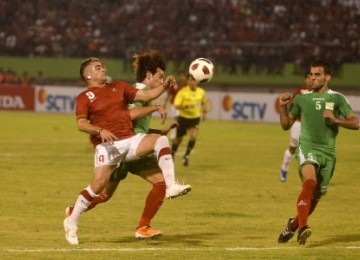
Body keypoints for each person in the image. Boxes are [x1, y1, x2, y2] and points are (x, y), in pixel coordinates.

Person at [63, 56, 191, 245]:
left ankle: (171, 187)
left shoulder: (119, 87)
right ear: (88, 75)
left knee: (161, 140)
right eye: (98, 68)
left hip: (130, 140)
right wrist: (100, 130)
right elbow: (81, 124)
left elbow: (146, 96)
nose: (103, 69)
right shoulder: (84, 97)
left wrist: (165, 87)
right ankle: (71, 221)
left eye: (103, 66)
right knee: (98, 188)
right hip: (108, 145)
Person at [278, 59, 359, 245]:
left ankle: (292, 226)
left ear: (327, 77)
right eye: (311, 75)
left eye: (317, 75)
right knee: (310, 182)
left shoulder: (337, 98)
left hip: (329, 154)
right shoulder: (301, 99)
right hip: (307, 147)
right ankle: (303, 228)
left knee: (315, 197)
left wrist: (336, 120)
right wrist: (283, 107)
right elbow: (285, 125)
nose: (313, 78)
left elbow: (355, 123)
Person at [279, 72, 312, 182]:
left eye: (313, 77)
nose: (310, 80)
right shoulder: (300, 92)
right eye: (308, 77)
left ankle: (308, 176)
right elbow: (291, 108)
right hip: (298, 124)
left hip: (311, 126)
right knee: (293, 147)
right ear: (305, 79)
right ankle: (284, 168)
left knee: (309, 151)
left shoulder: (319, 93)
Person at [171, 75, 207, 166]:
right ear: (188, 81)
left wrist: (205, 113)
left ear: (197, 82)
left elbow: (204, 102)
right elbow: (176, 105)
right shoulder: (182, 92)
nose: (192, 82)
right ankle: (172, 154)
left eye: (194, 80)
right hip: (183, 118)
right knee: (178, 140)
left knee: (193, 136)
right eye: (191, 80)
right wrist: (186, 106)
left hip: (195, 118)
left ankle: (186, 156)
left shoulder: (201, 92)